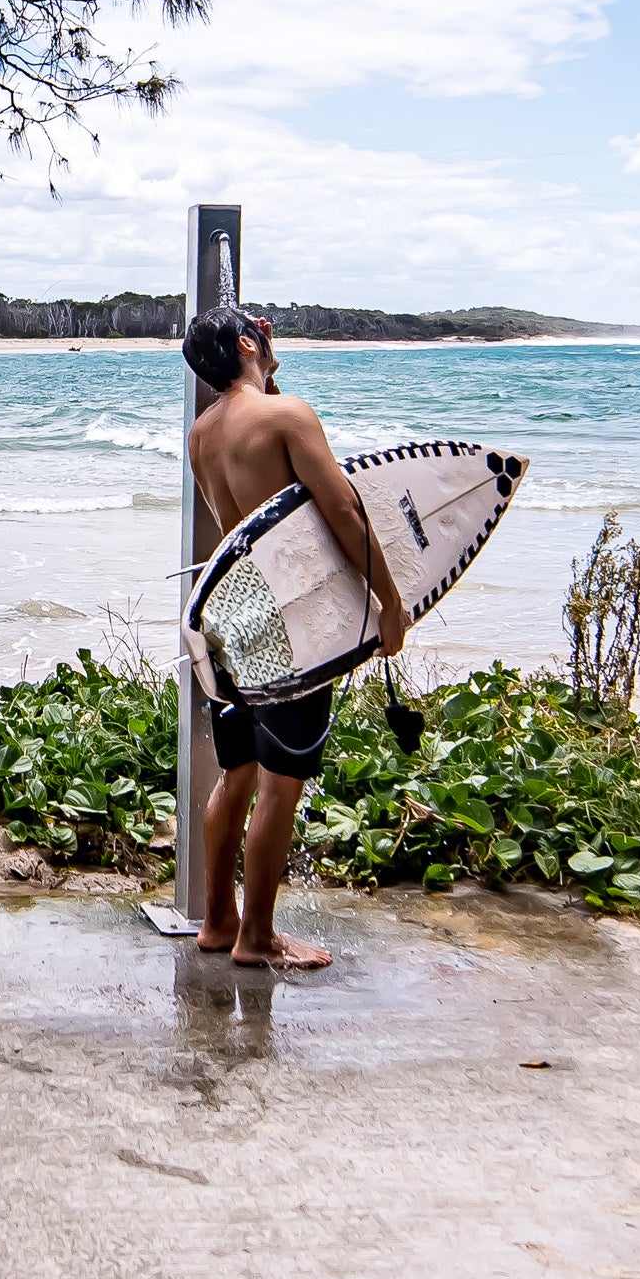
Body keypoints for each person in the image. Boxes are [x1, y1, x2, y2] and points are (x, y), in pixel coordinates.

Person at [181, 306, 407, 970]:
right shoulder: (288, 416)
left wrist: (261, 367)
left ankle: (219, 922)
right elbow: (340, 508)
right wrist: (387, 602)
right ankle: (259, 938)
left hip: (233, 614)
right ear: (250, 342)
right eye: (260, 338)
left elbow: (259, 506)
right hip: (290, 621)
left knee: (237, 774)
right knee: (280, 786)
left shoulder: (202, 432)